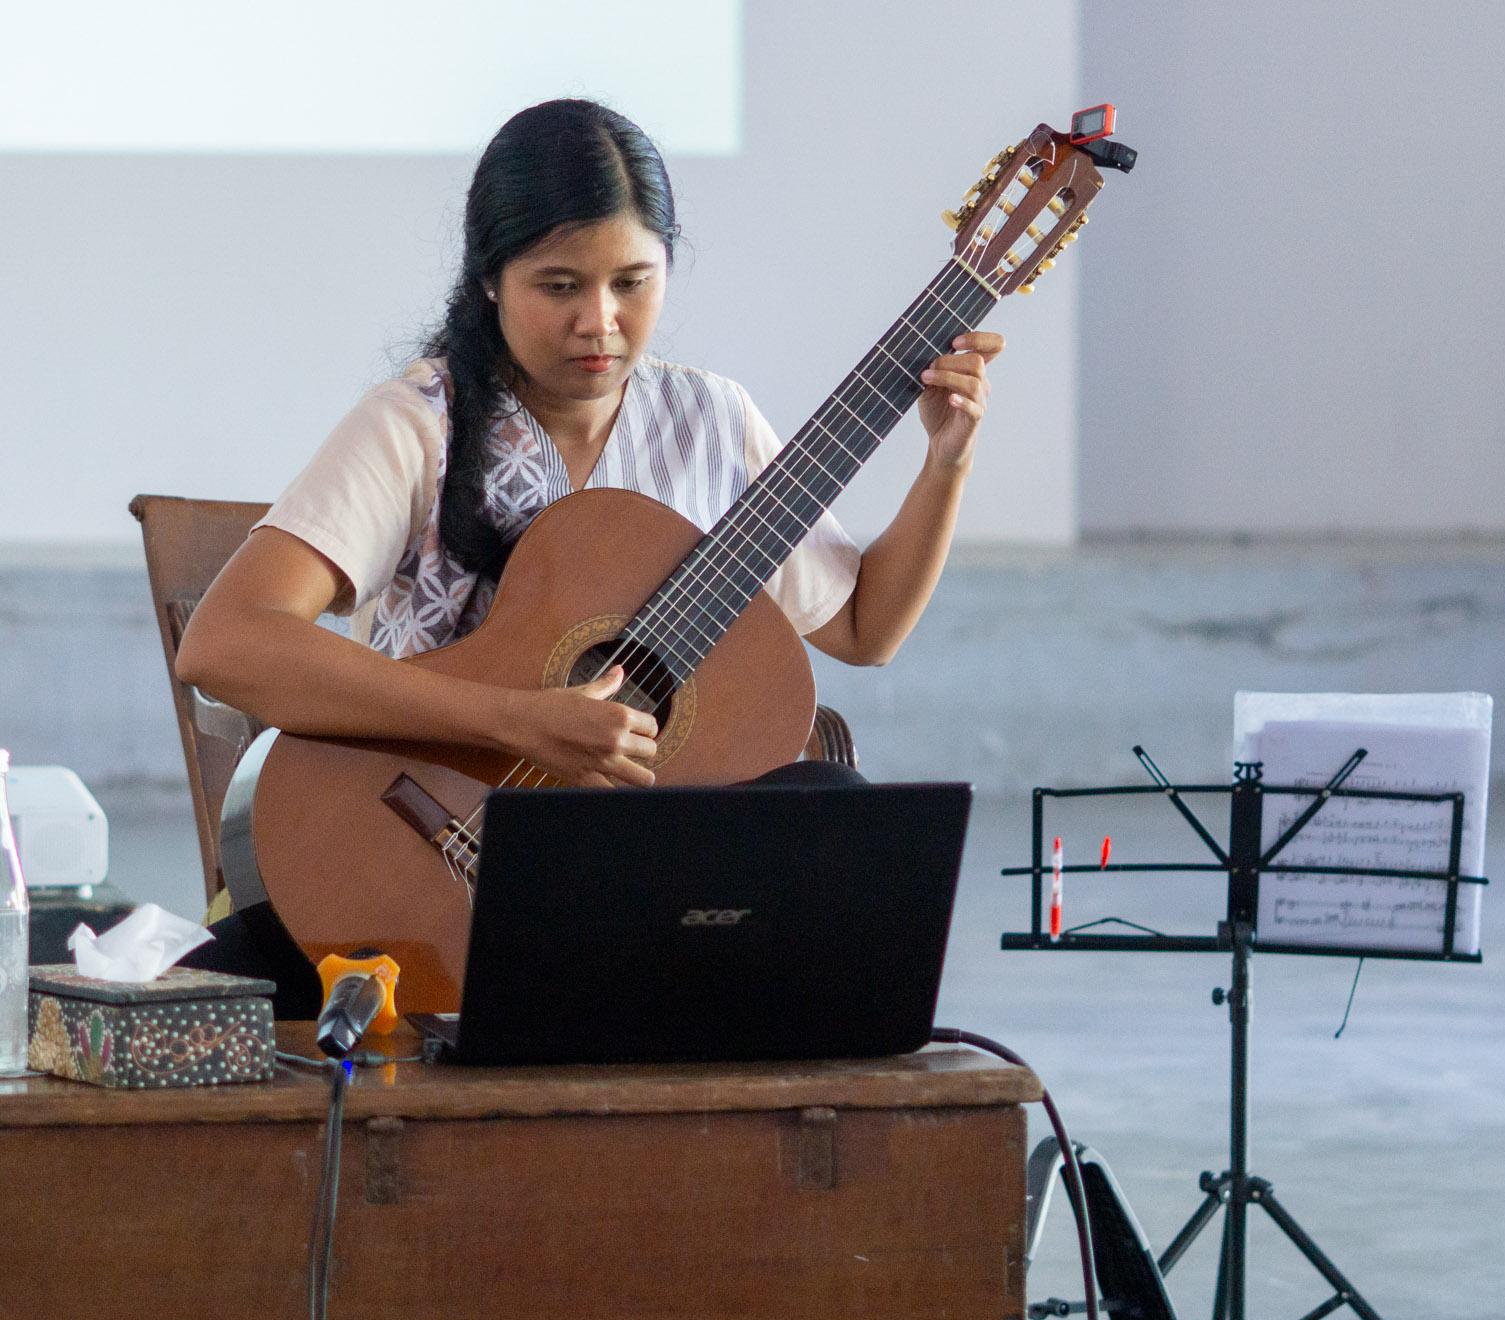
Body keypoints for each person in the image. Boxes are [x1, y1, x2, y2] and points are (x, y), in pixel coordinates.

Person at [175, 99, 1002, 1006]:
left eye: (633, 282)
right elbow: (227, 643)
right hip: (425, 850)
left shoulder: (710, 421)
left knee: (831, 814)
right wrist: (518, 722)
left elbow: (859, 625)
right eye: (560, 285)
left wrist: (945, 460)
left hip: (636, 881)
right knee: (196, 994)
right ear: (490, 278)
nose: (599, 323)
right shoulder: (417, 422)